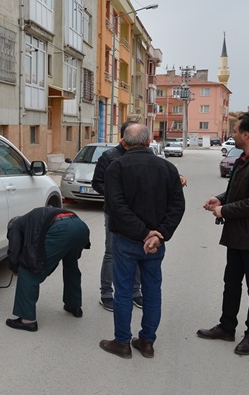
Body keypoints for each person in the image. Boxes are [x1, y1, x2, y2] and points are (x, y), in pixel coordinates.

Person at [197, 112, 249, 356]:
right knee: (231, 283)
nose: (232, 134)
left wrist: (224, 209)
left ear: (246, 135)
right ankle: (226, 327)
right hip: (238, 233)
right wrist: (220, 198)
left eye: (235, 130)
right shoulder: (245, 158)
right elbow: (237, 190)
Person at [98, 123, 185, 359]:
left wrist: (144, 233)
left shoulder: (116, 167)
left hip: (127, 240)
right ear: (149, 142)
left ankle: (122, 343)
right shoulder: (168, 168)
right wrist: (158, 234)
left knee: (124, 291)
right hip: (155, 243)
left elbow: (116, 206)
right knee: (152, 290)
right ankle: (147, 342)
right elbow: (177, 206)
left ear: (124, 143)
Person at [5, 207, 91, 332]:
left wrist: (15, 268)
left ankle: (27, 320)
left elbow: (14, 251)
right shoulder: (33, 217)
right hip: (80, 227)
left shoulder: (16, 226)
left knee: (28, 270)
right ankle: (74, 306)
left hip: (62, 229)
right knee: (71, 265)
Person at [91, 121, 143, 312]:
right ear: (124, 137)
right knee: (111, 252)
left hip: (138, 213)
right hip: (114, 212)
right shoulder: (109, 156)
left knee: (138, 251)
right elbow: (97, 183)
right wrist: (115, 196)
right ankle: (106, 294)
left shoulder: (142, 154)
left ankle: (135, 293)